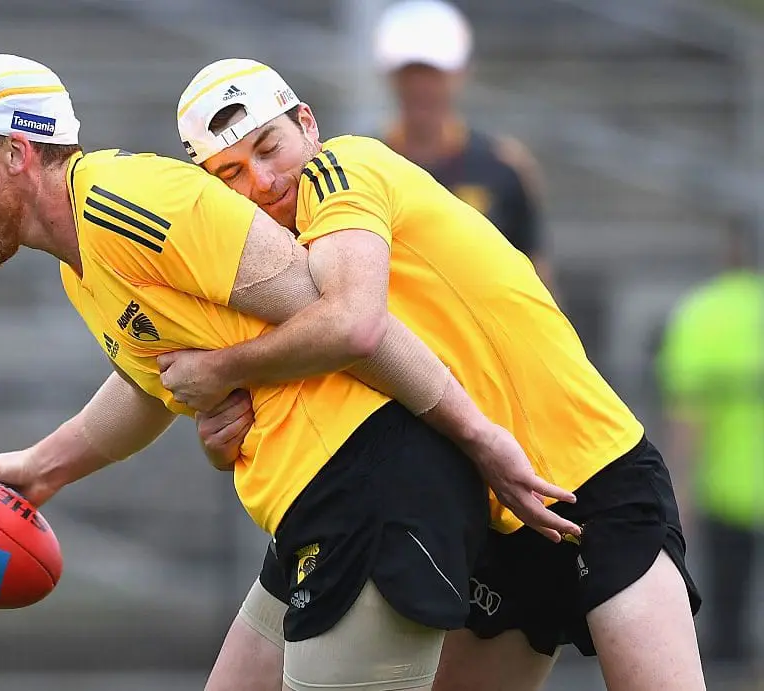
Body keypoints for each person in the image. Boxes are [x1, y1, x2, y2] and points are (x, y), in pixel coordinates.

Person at [0, 54, 578, 691]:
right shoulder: (83, 256)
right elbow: (150, 384)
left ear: (16, 154)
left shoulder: (130, 204)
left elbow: (352, 322)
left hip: (369, 488)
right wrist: (43, 470)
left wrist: (478, 436)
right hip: (318, 500)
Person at [173, 58, 705, 691]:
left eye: (269, 148)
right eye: (230, 173)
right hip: (482, 511)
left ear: (308, 125)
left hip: (592, 478)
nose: (261, 182)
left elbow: (353, 326)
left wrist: (216, 370)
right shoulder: (266, 258)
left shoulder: (342, 167)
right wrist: (225, 430)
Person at [372, 0, 554, 290]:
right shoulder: (363, 166)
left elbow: (535, 278)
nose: (421, 86)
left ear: (462, 73)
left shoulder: (503, 168)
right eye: (411, 73)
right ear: (391, 77)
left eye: (434, 74)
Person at [657, 219, 764, 668]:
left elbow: (688, 414)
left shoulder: (702, 315)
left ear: (726, 253)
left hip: (726, 491)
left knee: (727, 630)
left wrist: (679, 487)